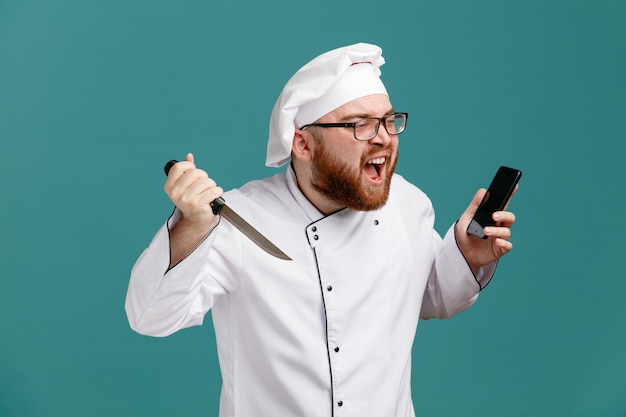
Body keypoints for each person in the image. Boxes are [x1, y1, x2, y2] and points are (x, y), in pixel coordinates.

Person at [125, 42, 517, 417]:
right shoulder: (236, 221)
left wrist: (466, 257)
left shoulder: (408, 205)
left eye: (388, 121)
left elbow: (431, 298)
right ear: (302, 144)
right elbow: (151, 317)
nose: (383, 136)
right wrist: (192, 225)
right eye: (361, 124)